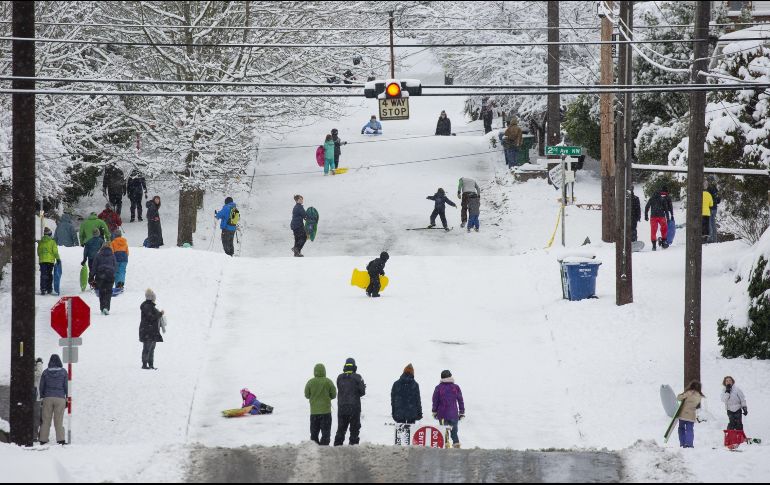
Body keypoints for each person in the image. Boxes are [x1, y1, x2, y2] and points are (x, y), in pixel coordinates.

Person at [334, 358, 366, 446]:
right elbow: (362, 392)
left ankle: (336, 449)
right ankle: (353, 450)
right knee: (354, 430)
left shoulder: (339, 377)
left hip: (342, 408)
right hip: (354, 408)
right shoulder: (358, 377)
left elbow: (340, 388)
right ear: (354, 366)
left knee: (341, 430)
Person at [304, 363, 337, 446]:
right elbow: (333, 395)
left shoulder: (310, 382)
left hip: (314, 413)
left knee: (314, 434)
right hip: (326, 412)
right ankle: (324, 451)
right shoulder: (328, 381)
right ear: (324, 371)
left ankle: (315, 451)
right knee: (326, 434)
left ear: (314, 372)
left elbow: (307, 395)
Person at [38, 354, 68, 445]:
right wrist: (67, 397)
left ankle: (43, 439)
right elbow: (66, 385)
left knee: (46, 420)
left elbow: (41, 386)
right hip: (60, 398)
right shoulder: (63, 372)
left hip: (48, 398)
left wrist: (42, 396)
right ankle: (61, 440)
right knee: (59, 420)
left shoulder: (45, 372)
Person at [432, 370, 465, 449]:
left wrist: (434, 411)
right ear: (450, 377)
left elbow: (435, 400)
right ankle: (456, 445)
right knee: (454, 432)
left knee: (444, 431)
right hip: (453, 414)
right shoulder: (456, 387)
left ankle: (446, 446)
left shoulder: (438, 388)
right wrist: (462, 412)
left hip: (442, 414)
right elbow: (460, 400)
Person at [391, 364, 422, 446]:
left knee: (399, 436)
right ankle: (409, 450)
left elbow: (393, 400)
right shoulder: (415, 385)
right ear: (412, 373)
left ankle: (397, 450)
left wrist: (394, 412)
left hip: (399, 413)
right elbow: (417, 400)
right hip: (412, 412)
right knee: (411, 433)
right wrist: (419, 413)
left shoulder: (396, 384)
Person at [140, 288, 165, 370]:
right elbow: (151, 318)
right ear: (152, 297)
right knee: (147, 349)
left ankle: (150, 365)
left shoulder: (150, 306)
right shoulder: (147, 306)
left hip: (151, 331)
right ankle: (145, 365)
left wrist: (160, 314)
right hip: (148, 331)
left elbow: (154, 316)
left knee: (151, 349)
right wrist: (160, 314)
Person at [644, 186, 674, 251]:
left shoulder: (652, 199)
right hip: (661, 216)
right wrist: (668, 217)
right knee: (664, 229)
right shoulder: (662, 199)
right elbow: (666, 209)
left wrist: (646, 215)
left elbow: (647, 207)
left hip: (653, 217)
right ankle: (664, 241)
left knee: (653, 231)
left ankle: (654, 245)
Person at [90, 243, 116, 315]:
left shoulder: (98, 255)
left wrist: (91, 276)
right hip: (110, 275)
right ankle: (106, 308)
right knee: (108, 292)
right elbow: (115, 266)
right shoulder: (112, 255)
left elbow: (94, 267)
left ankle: (102, 308)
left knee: (102, 292)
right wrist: (113, 274)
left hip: (100, 275)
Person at [677, 381, 704, 448]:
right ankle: (689, 444)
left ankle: (683, 443)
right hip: (691, 415)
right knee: (690, 429)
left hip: (683, 414)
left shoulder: (688, 393)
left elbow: (679, 398)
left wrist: (681, 394)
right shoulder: (699, 395)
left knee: (681, 429)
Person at [37, 227, 61, 295]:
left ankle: (43, 289)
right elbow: (55, 252)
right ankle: (49, 288)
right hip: (50, 261)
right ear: (50, 234)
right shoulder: (52, 242)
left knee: (43, 274)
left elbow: (38, 252)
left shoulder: (41, 242)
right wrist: (58, 259)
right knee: (49, 274)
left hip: (42, 261)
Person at [707, 178, 721, 243]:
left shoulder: (708, 189)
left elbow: (707, 199)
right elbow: (718, 200)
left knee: (709, 223)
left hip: (709, 208)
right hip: (715, 208)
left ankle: (710, 239)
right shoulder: (716, 189)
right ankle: (714, 239)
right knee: (713, 223)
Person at [33, 357, 43, 442]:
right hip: (35, 398)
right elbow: (39, 373)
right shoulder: (34, 373)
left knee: (36, 418)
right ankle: (34, 436)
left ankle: (34, 436)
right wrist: (39, 363)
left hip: (36, 397)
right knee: (36, 417)